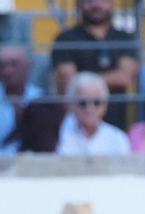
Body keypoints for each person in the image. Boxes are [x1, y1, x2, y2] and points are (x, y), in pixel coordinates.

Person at [50, 0, 138, 131]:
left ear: (112, 3)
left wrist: (83, 82)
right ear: (79, 4)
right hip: (76, 128)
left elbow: (124, 77)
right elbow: (68, 82)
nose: (97, 4)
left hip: (116, 125)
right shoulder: (66, 39)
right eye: (90, 0)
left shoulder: (124, 38)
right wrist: (109, 78)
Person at [56, 72, 131, 156]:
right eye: (83, 103)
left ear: (105, 105)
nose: (90, 109)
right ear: (70, 104)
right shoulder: (56, 134)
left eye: (96, 102)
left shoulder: (117, 138)